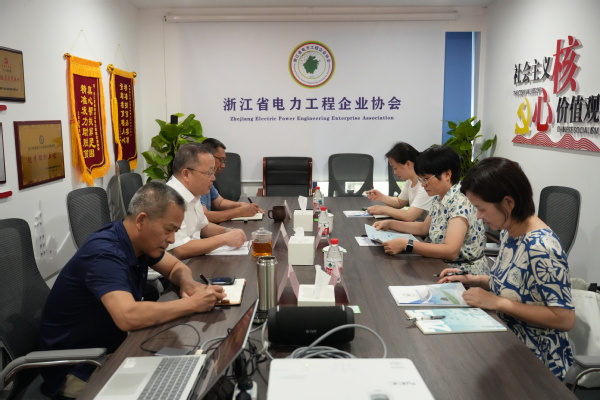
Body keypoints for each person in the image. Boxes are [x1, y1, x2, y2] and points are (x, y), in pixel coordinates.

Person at [39, 181, 226, 398]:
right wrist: (192, 304)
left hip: (113, 347)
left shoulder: (137, 240)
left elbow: (175, 267)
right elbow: (127, 316)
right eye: (169, 230)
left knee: (195, 373)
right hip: (77, 368)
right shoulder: (105, 253)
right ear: (141, 220)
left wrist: (188, 283)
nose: (172, 239)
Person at [437, 157, 575, 380]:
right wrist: (474, 279)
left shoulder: (541, 247)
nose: (479, 216)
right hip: (505, 339)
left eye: (481, 209)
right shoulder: (509, 231)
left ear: (508, 203)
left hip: (536, 360)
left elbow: (564, 319)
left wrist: (498, 302)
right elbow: (515, 284)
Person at [373, 145, 488, 275]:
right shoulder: (440, 197)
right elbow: (424, 228)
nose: (423, 184)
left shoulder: (460, 202)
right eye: (421, 179)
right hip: (439, 264)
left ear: (447, 174)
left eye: (426, 178)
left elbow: (451, 251)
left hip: (463, 273)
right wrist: (390, 224)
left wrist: (407, 245)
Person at [166, 142, 247, 260]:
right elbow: (180, 249)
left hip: (193, 261)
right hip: (175, 268)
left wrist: (228, 231)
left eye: (213, 172)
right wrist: (224, 239)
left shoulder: (193, 193)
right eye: (209, 173)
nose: (213, 178)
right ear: (186, 174)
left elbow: (203, 227)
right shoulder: (169, 199)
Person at [200, 138, 264, 223]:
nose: (223, 165)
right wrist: (239, 212)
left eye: (224, 161)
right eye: (221, 160)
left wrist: (240, 205)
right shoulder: (197, 181)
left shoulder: (208, 179)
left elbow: (220, 203)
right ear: (208, 157)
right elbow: (204, 217)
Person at [366, 142, 432, 221]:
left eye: (395, 168)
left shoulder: (425, 185)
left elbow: (409, 216)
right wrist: (381, 197)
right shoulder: (410, 181)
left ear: (408, 164)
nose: (394, 172)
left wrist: (383, 209)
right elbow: (400, 202)